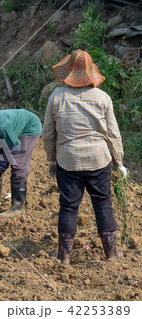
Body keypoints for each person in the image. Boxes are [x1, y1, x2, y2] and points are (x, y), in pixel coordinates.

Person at [42, 50, 127, 265]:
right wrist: (119, 162)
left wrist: (52, 160)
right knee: (103, 204)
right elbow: (113, 133)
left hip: (68, 161)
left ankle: (64, 256)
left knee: (69, 206)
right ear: (91, 74)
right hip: (99, 160)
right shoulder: (102, 97)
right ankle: (112, 254)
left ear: (69, 72)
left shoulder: (57, 96)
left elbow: (49, 133)